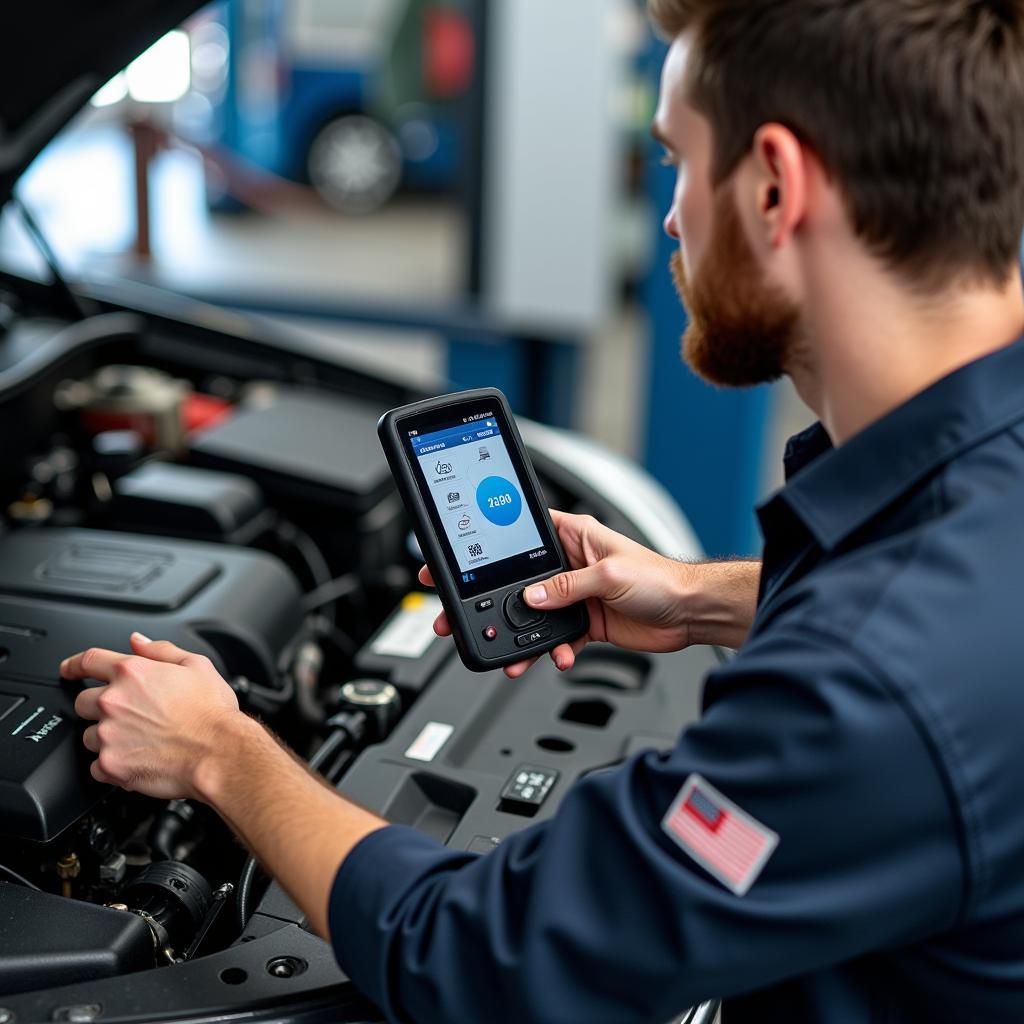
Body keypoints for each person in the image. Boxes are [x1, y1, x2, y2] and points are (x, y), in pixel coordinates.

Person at [60, 0, 1024, 1019]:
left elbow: (486, 962)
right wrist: (699, 598)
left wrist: (221, 750)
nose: (669, 216)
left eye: (677, 163)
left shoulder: (870, 688)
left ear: (775, 185)